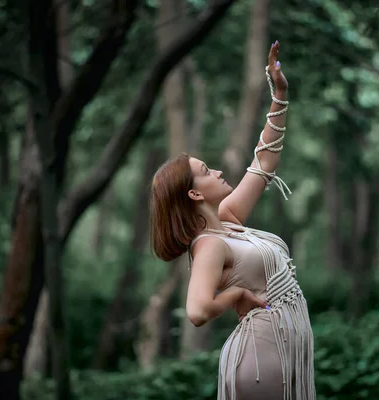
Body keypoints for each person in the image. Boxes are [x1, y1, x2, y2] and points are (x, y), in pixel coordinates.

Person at [149, 40, 315, 400]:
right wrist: (238, 293)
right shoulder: (209, 245)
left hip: (284, 356)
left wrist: (279, 95)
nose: (219, 171)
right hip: (260, 361)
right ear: (194, 194)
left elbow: (264, 162)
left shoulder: (228, 220)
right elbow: (196, 311)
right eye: (207, 171)